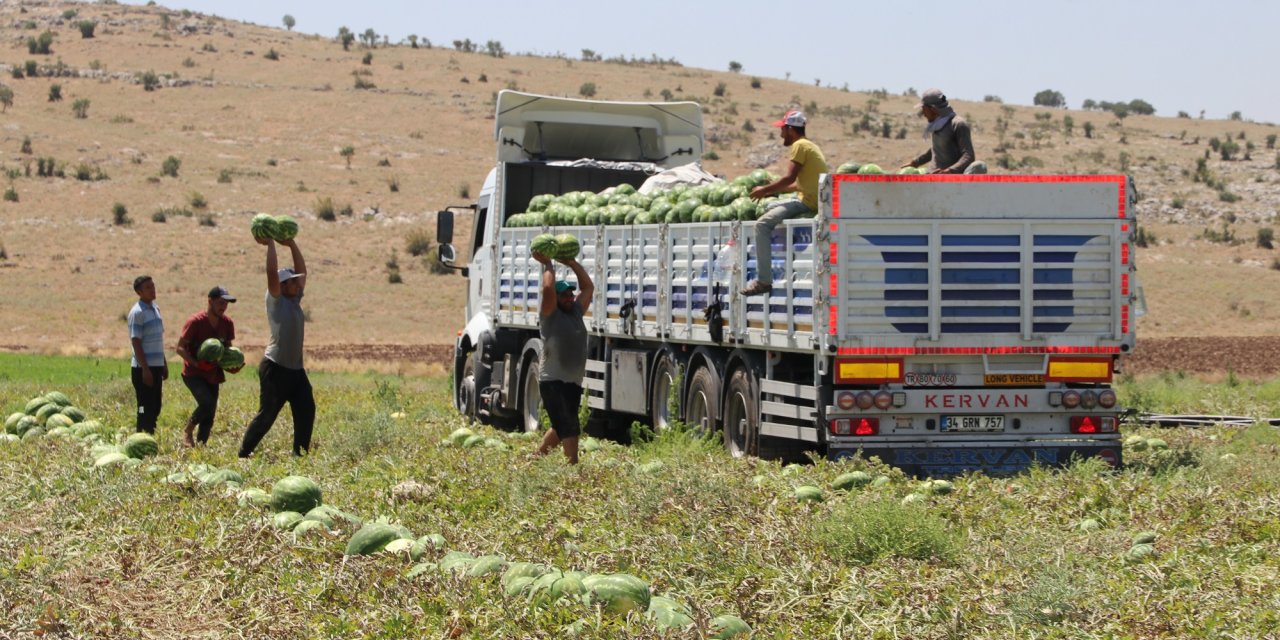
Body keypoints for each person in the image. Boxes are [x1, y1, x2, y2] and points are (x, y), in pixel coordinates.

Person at [238, 237, 315, 458]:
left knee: (306, 410)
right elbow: (272, 273)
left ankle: (299, 455)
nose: (297, 284)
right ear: (281, 286)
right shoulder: (276, 301)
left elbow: (303, 272)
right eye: (291, 281)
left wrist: (291, 244)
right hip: (275, 368)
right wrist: (271, 244)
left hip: (296, 371)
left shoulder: (294, 300)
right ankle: (244, 453)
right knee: (268, 414)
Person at [740, 109, 828, 296]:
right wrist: (771, 190)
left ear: (790, 129)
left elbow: (789, 179)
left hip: (807, 203)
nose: (781, 134)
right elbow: (798, 184)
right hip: (808, 198)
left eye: (783, 130)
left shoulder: (800, 146)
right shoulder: (811, 146)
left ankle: (763, 280)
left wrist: (765, 190)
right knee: (770, 207)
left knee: (762, 224)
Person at [530, 249, 594, 464]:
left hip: (572, 382)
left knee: (561, 426)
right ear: (554, 299)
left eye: (570, 294)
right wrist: (548, 265)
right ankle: (572, 468)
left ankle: (536, 458)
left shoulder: (575, 312)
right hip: (553, 381)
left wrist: (572, 263)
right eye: (564, 295)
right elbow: (547, 287)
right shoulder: (550, 314)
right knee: (570, 425)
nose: (570, 298)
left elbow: (588, 287)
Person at [175, 286, 239, 447]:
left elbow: (228, 350)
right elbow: (180, 348)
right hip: (193, 373)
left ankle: (201, 447)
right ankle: (188, 431)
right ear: (210, 301)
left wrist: (232, 365)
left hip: (213, 374)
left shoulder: (227, 323)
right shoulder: (195, 322)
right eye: (220, 302)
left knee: (210, 414)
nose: (223, 306)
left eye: (226, 303)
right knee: (207, 403)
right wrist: (197, 363)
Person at [902, 88, 987, 175]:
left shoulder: (958, 124)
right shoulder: (937, 125)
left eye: (924, 108)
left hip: (951, 181)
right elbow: (936, 149)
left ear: (933, 109)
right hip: (933, 177)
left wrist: (950, 171)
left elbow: (968, 156)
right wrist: (916, 162)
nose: (923, 113)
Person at [127, 275, 167, 434]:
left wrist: (163, 363)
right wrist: (145, 369)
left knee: (155, 405)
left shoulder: (155, 309)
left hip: (156, 366)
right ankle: (141, 432)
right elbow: (135, 342)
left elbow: (158, 339)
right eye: (148, 288)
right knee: (143, 406)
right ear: (139, 292)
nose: (152, 290)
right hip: (143, 369)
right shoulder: (137, 312)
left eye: (153, 286)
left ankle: (150, 432)